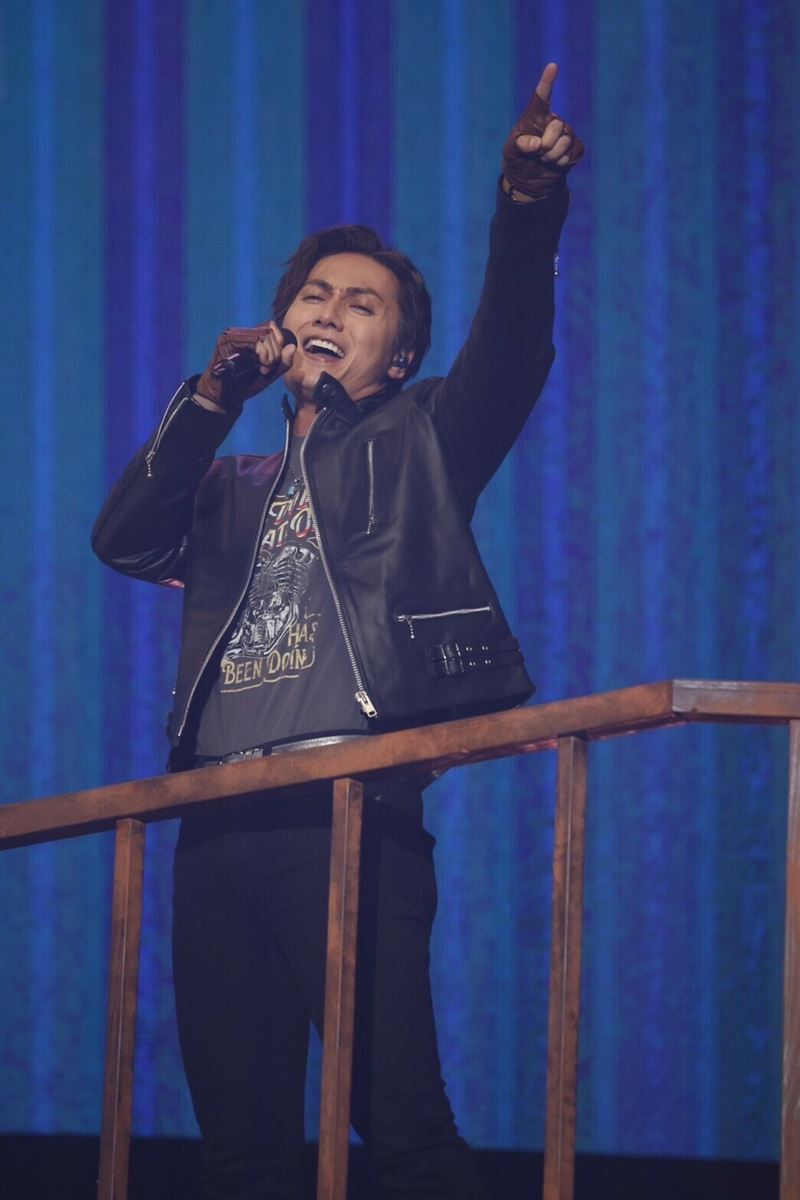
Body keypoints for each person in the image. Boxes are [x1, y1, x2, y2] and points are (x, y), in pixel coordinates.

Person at [92, 63, 583, 1200]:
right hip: (216, 821)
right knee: (242, 1153)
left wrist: (527, 200)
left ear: (398, 357)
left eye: (361, 304)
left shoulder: (424, 439)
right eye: (314, 295)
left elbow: (514, 338)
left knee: (401, 1131)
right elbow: (123, 540)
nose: (329, 311)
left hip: (347, 810)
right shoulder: (228, 489)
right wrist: (209, 397)